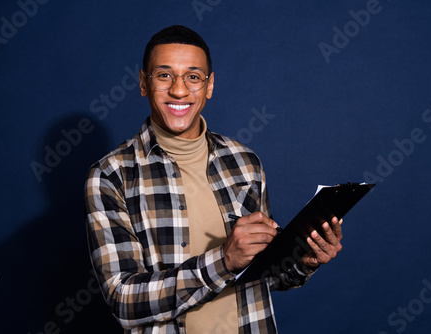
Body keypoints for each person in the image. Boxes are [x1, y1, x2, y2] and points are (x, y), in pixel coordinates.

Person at [85, 25, 343, 334]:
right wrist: (223, 260)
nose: (179, 90)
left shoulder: (244, 162)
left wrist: (306, 260)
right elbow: (124, 300)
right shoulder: (111, 175)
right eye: (164, 75)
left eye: (193, 77)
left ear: (209, 86)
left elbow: (264, 275)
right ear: (143, 82)